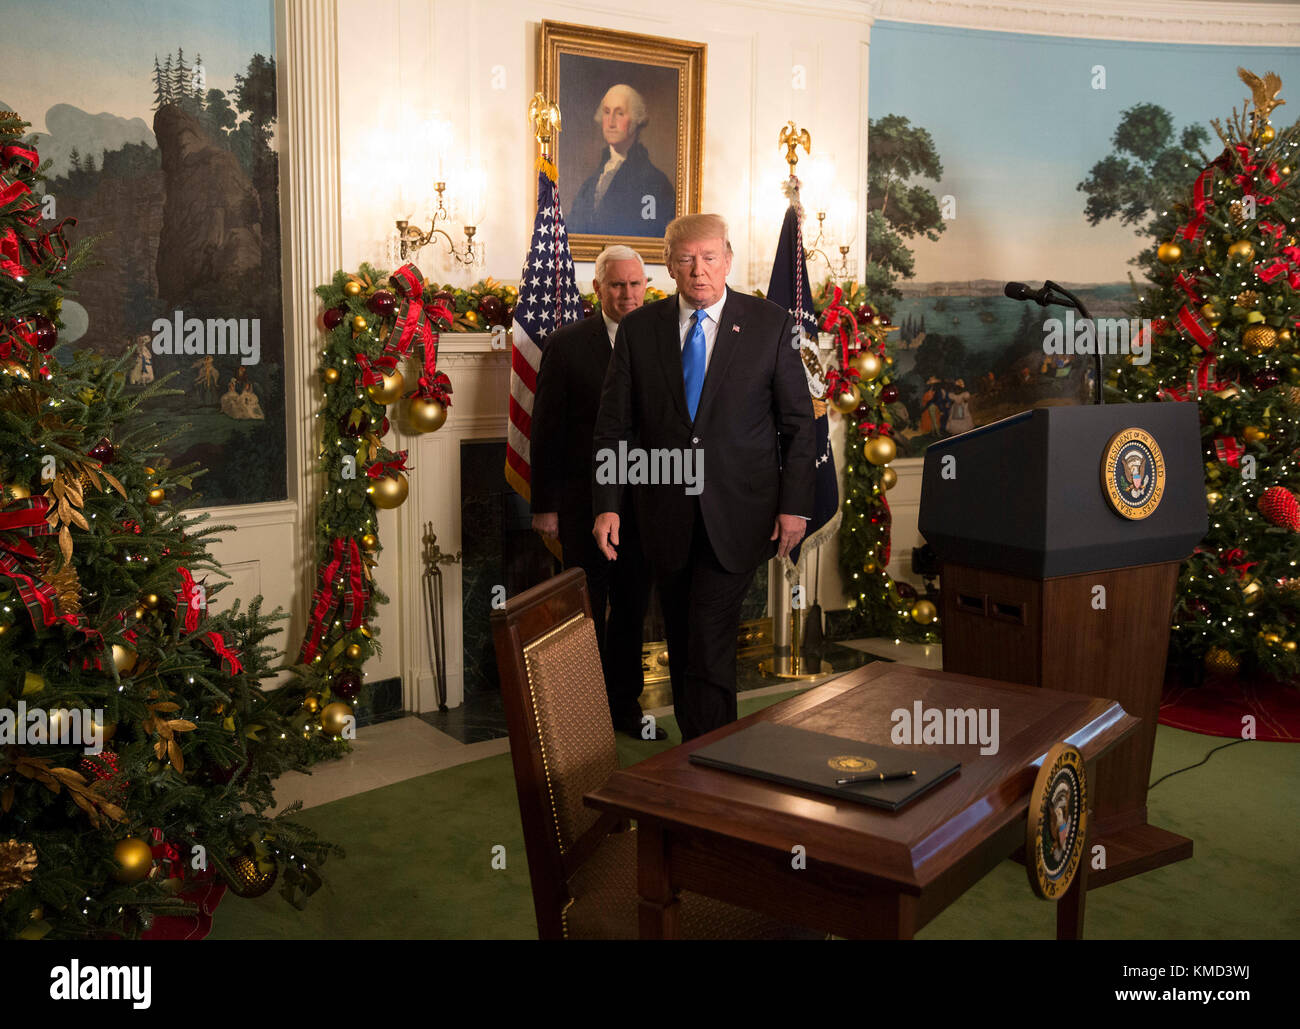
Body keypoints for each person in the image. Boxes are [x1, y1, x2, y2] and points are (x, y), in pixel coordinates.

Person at [592, 213, 814, 741]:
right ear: (668, 265)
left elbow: (799, 426)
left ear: (728, 260)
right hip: (664, 519)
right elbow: (614, 425)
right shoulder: (640, 329)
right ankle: (701, 762)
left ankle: (710, 767)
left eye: (710, 257)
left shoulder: (770, 324)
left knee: (708, 639)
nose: (699, 271)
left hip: (739, 515)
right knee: (687, 640)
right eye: (687, 259)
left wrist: (795, 506)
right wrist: (607, 503)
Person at [530, 245, 662, 739]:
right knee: (583, 610)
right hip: (582, 504)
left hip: (643, 503)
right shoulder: (566, 345)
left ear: (647, 287)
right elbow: (546, 431)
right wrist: (545, 506)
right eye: (617, 285)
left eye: (635, 285)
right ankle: (582, 717)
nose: (628, 294)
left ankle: (625, 711)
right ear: (597, 288)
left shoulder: (662, 339)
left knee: (632, 609)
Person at [568, 84, 674, 238]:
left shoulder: (655, 182)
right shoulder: (591, 183)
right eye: (606, 112)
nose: (611, 122)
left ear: (636, 120)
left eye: (620, 113)